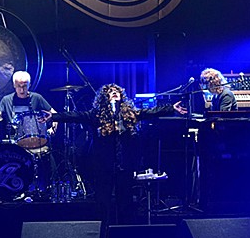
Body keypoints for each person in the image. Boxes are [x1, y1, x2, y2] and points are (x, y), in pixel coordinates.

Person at [40, 83, 187, 223]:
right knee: (103, 202)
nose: (114, 93)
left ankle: (123, 232)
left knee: (125, 202)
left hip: (124, 165)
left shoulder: (129, 114)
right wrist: (54, 117)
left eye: (117, 91)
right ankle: (103, 231)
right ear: (105, 98)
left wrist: (171, 108)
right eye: (110, 92)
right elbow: (76, 115)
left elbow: (150, 112)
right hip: (103, 165)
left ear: (122, 96)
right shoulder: (96, 115)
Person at [0, 71, 58, 193]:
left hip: (35, 140)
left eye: (25, 86)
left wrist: (53, 128)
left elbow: (54, 113)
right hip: (14, 142)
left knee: (46, 157)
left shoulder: (37, 98)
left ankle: (45, 188)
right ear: (14, 85)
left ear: (29, 85)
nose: (22, 89)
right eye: (19, 86)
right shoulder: (6, 100)